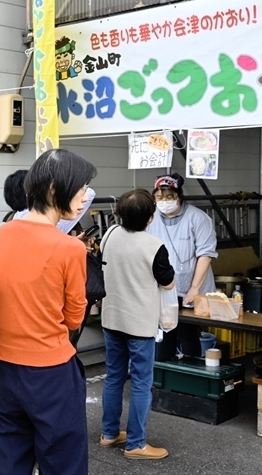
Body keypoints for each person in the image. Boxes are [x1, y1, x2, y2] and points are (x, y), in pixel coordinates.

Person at [0, 148, 93, 475]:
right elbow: (74, 316)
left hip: (3, 368)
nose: (86, 195)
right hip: (52, 374)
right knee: (63, 464)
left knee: (6, 462)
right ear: (55, 190)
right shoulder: (71, 247)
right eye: (82, 186)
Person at [101, 189, 175, 460]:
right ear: (150, 218)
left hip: (111, 318)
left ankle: (109, 434)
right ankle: (136, 444)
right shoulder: (154, 246)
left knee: (114, 377)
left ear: (118, 215)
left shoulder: (108, 236)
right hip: (140, 324)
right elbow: (168, 282)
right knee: (142, 383)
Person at [147, 173, 217, 361]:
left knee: (188, 332)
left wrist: (194, 289)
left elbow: (206, 254)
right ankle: (164, 374)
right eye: (159, 198)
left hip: (192, 287)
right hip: (164, 287)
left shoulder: (198, 218)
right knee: (164, 332)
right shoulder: (151, 219)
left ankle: (191, 374)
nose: (164, 202)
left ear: (179, 196)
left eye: (169, 197)